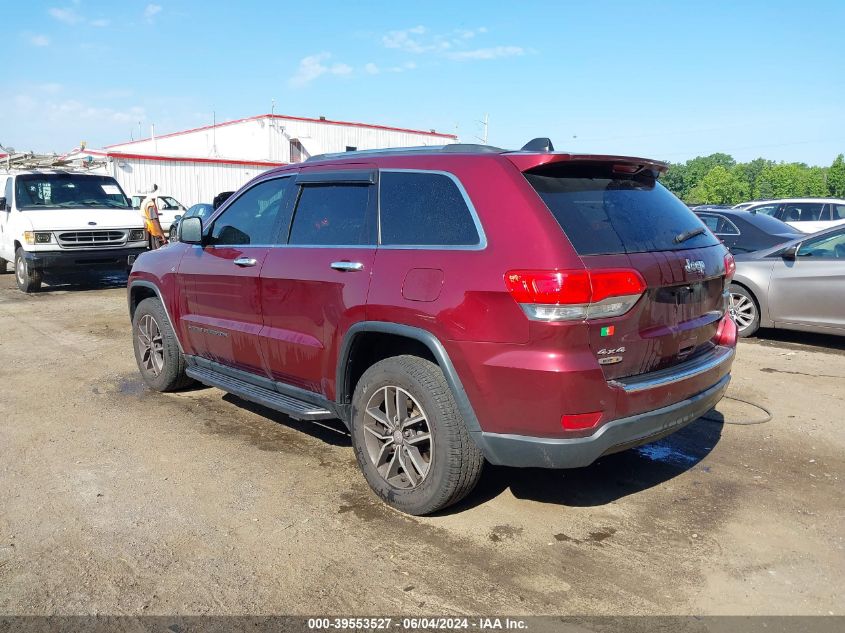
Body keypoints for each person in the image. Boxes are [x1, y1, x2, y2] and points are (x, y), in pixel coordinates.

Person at [140, 184, 168, 249]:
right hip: (154, 231)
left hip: (149, 230)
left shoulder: (145, 201)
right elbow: (154, 220)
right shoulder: (150, 203)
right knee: (157, 251)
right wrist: (162, 235)